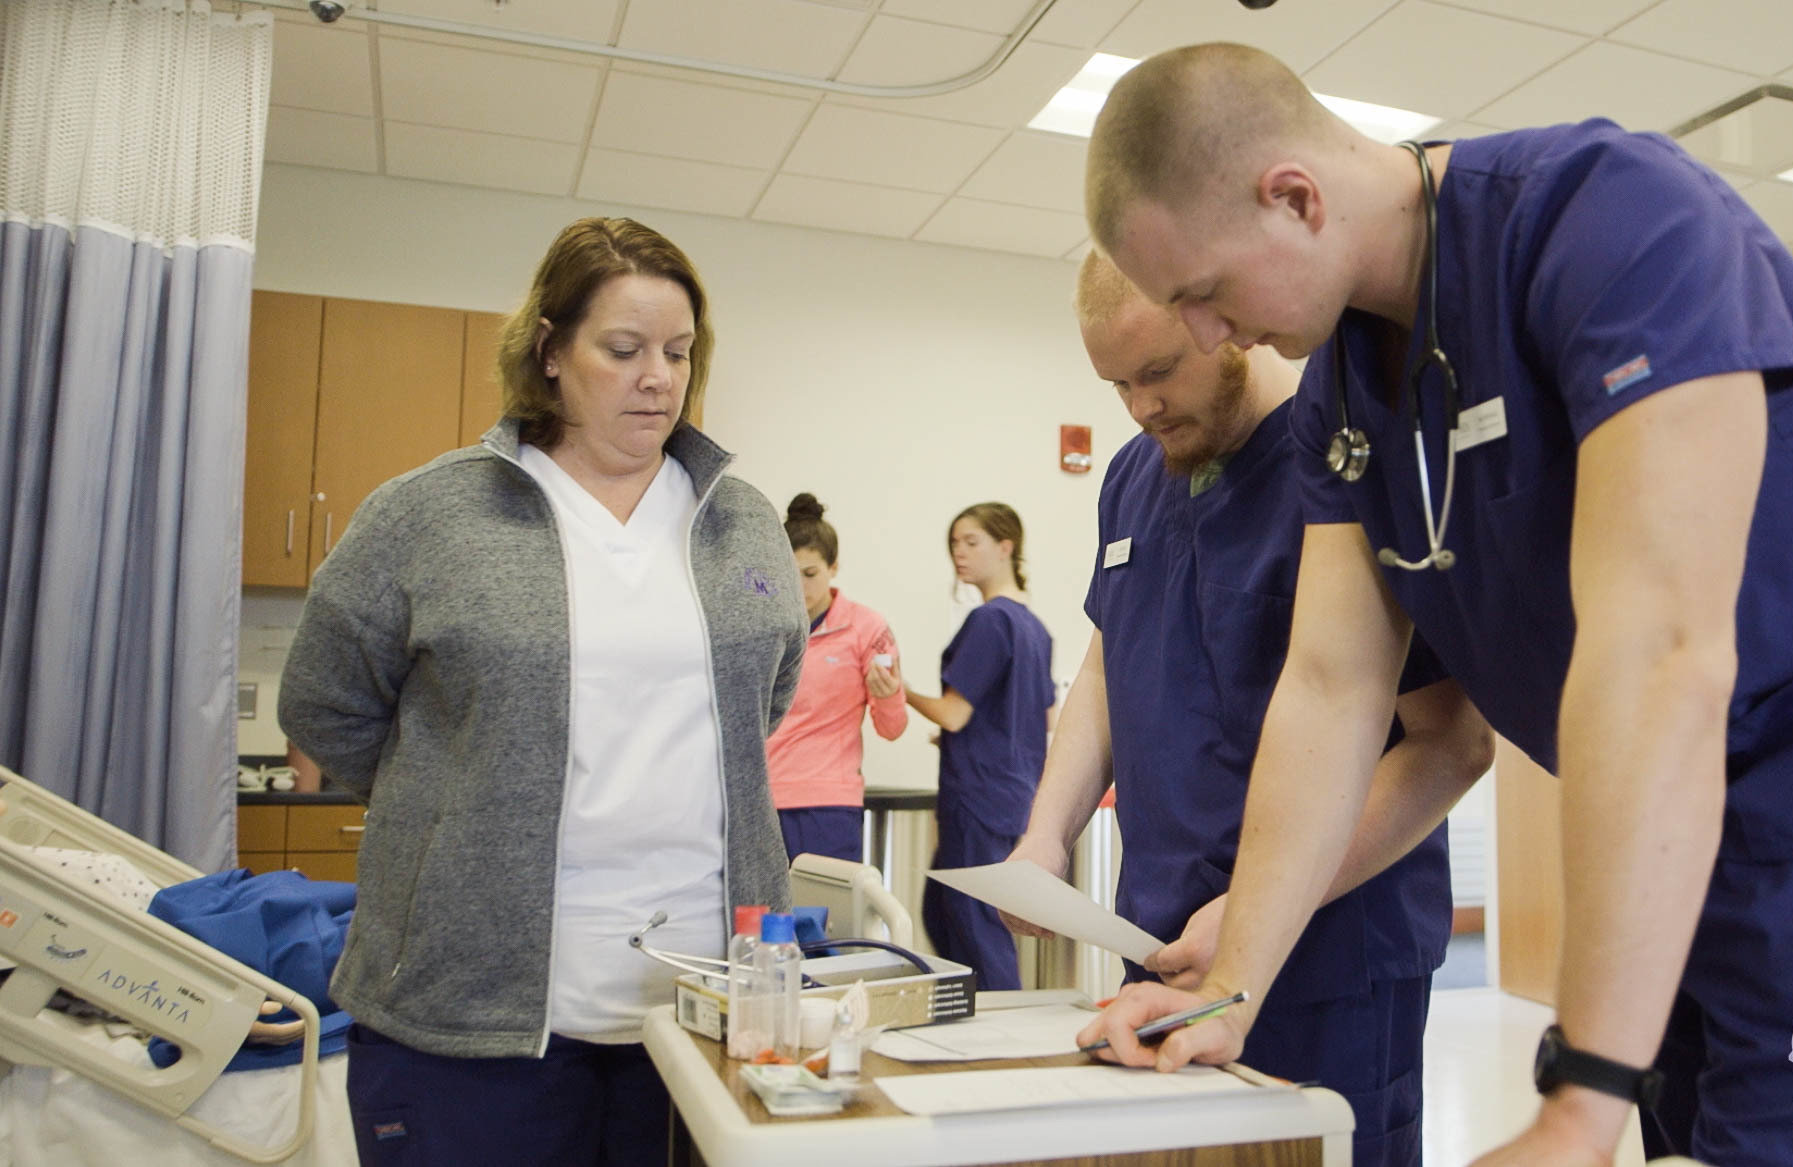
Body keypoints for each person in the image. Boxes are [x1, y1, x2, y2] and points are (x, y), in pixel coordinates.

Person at [1075, 42, 1793, 1167]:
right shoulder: (1343, 394)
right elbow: (1329, 688)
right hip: (1672, 858)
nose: (1208, 340)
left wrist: (1579, 1101)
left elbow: (1658, 655)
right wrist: (1229, 989)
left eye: (1203, 297)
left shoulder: (1614, 226)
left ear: (1294, 198)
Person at [278, 217, 808, 1167]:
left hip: (700, 1011)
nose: (658, 376)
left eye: (679, 352)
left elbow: (758, 704)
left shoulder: (743, 521)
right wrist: (457, 804)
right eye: (624, 349)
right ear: (550, 350)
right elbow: (327, 704)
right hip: (471, 1018)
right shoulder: (430, 514)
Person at [1006, 252, 1490, 1166]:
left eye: (1158, 372)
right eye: (1115, 384)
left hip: (1332, 962)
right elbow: (1110, 664)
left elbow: (1451, 743)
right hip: (1156, 946)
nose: (1140, 406)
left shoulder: (1350, 468)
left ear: (1224, 324)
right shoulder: (1132, 478)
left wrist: (1249, 916)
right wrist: (1044, 835)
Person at [906, 502, 1053, 990]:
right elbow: (1038, 716)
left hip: (978, 797)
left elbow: (954, 712)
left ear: (1006, 547)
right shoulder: (1034, 629)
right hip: (1008, 793)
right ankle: (976, 1024)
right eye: (954, 543)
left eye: (971, 542)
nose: (959, 554)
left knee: (975, 926)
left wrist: (894, 688)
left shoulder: (990, 622)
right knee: (945, 913)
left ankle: (1002, 1032)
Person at [764, 492, 907, 863]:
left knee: (824, 920)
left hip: (829, 805)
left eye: (810, 575)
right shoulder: (763, 627)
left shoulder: (867, 628)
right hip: (762, 801)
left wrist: (889, 694)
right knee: (761, 921)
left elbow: (892, 728)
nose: (800, 588)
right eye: (788, 575)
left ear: (834, 567)